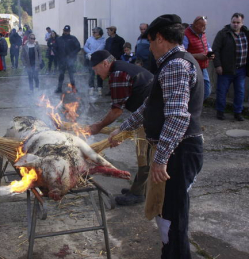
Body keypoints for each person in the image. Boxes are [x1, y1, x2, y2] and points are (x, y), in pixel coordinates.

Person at [108, 14, 204, 258]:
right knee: (165, 211)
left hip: (179, 152)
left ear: (160, 39)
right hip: (176, 151)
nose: (149, 48)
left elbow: (177, 117)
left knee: (173, 215)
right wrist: (123, 128)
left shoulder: (175, 66)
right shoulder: (171, 64)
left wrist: (161, 159)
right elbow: (150, 106)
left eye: (150, 42)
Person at [89, 50, 153, 206]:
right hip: (147, 113)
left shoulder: (118, 74)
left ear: (105, 63)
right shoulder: (120, 68)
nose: (96, 73)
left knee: (145, 155)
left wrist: (98, 126)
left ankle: (138, 194)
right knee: (143, 154)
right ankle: (138, 189)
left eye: (96, 69)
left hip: (153, 114)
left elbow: (117, 110)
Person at [213, 13, 248, 121]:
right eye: (233, 22)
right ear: (230, 22)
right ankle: (220, 112)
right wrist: (217, 65)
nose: (235, 24)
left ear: (242, 23)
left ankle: (238, 113)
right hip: (225, 69)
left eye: (238, 22)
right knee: (222, 91)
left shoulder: (246, 34)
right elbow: (215, 50)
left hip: (241, 69)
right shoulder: (223, 34)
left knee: (240, 92)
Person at [184, 16, 215, 100]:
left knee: (206, 91)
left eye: (205, 25)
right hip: (191, 67)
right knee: (194, 90)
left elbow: (207, 45)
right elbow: (182, 53)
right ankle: (191, 107)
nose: (205, 28)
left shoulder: (202, 33)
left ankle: (194, 106)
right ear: (196, 25)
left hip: (203, 66)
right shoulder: (186, 35)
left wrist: (210, 53)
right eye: (203, 26)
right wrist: (196, 56)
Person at [55, 25, 81, 93]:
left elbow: (78, 47)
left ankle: (74, 88)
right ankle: (59, 88)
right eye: (65, 31)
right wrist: (58, 56)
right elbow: (55, 48)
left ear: (69, 31)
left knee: (71, 75)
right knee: (61, 75)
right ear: (63, 30)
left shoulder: (73, 38)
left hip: (70, 60)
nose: (66, 32)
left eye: (67, 31)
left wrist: (72, 54)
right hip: (62, 60)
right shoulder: (59, 39)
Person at [84, 27, 106, 95]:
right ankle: (91, 87)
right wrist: (89, 53)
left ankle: (99, 88)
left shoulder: (103, 40)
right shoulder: (90, 39)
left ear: (99, 33)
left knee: (99, 73)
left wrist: (93, 54)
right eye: (93, 32)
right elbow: (85, 47)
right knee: (91, 73)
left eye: (95, 32)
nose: (93, 33)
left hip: (99, 59)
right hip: (91, 58)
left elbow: (101, 48)